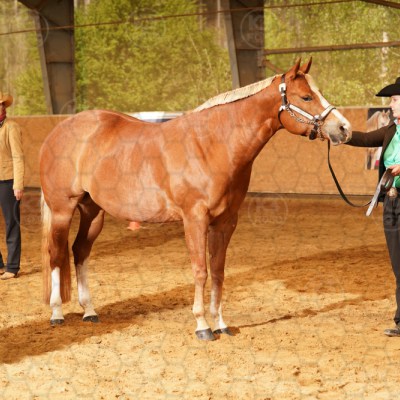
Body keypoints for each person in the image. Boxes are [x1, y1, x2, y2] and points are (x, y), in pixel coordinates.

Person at [347, 77, 400, 337]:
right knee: (398, 264)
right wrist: (340, 134)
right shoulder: (391, 129)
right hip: (392, 200)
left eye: (395, 99)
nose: (391, 105)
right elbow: (366, 138)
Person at [0, 92, 24, 280]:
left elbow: (18, 156)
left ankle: (12, 267)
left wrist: (18, 184)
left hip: (8, 181)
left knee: (11, 224)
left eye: (1, 104)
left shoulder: (11, 127)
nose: (0, 107)